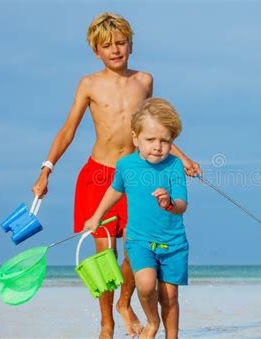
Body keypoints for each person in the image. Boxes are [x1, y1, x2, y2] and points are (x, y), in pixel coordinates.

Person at [31, 13, 200, 339]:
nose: (115, 50)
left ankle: (125, 303)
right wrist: (46, 170)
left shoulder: (145, 81)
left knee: (135, 249)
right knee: (104, 255)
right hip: (98, 175)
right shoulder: (89, 84)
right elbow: (68, 130)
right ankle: (107, 322)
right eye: (106, 45)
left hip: (139, 175)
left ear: (131, 44)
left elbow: (154, 128)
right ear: (96, 51)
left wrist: (184, 158)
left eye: (120, 43)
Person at [85, 97, 189, 339]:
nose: (158, 146)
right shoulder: (126, 166)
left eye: (165, 141)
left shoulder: (174, 166)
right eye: (150, 139)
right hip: (139, 240)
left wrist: (169, 203)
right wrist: (97, 216)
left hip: (173, 242)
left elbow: (182, 204)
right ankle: (152, 323)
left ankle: (171, 336)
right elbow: (114, 190)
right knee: (144, 285)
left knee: (170, 296)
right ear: (135, 139)